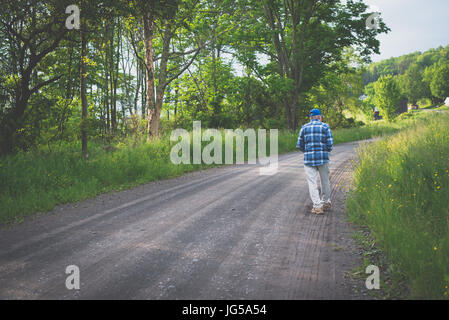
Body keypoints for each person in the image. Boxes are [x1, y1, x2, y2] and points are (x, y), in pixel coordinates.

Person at [296, 108, 333, 215]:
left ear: (310, 118)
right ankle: (325, 202)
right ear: (320, 117)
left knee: (312, 182)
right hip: (323, 159)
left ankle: (317, 206)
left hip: (309, 159)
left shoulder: (304, 127)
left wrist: (307, 151)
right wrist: (325, 151)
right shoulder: (325, 127)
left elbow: (300, 145)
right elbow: (330, 144)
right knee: (325, 180)